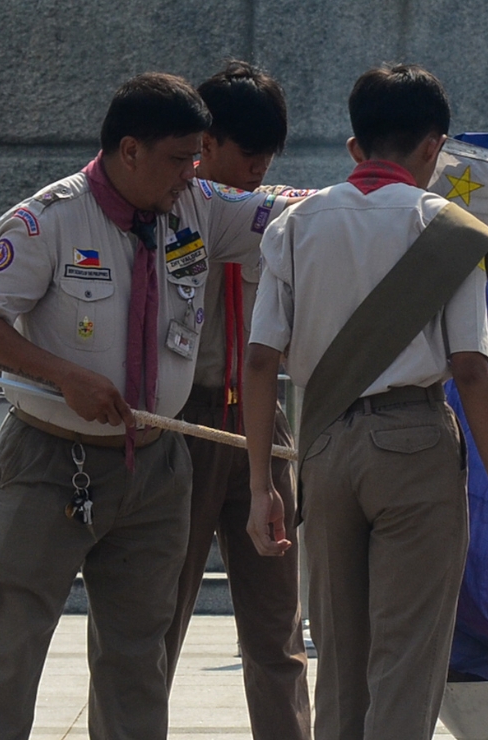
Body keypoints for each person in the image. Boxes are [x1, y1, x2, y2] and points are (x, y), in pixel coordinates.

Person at [0, 72, 296, 740]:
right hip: (51, 462)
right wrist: (62, 374)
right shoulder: (44, 220)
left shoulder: (196, 206)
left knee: (139, 651)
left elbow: (291, 211)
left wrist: (390, 192)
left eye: (198, 157)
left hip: (155, 471)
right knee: (13, 637)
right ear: (128, 150)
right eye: (178, 158)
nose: (191, 173)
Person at [243, 63, 488, 740]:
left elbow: (260, 361)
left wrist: (262, 485)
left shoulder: (294, 223)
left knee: (339, 657)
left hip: (323, 446)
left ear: (355, 146)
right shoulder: (446, 227)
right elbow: (469, 368)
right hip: (413, 445)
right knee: (406, 659)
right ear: (434, 147)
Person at [163, 60, 311, 740]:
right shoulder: (162, 209)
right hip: (181, 421)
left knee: (277, 632)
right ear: (206, 142)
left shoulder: (275, 217)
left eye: (267, 156)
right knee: (157, 623)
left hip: (258, 422)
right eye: (244, 153)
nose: (256, 168)